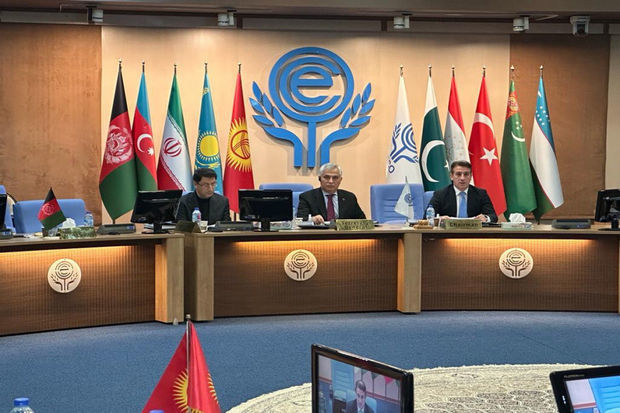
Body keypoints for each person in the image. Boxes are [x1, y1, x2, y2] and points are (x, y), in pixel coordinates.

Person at [429, 160, 498, 223]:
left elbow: (493, 216)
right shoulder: (440, 194)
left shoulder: (481, 194)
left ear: (471, 176)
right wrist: (439, 219)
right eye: (458, 174)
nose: (462, 178)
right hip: (448, 231)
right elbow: (428, 217)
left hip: (474, 231)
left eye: (466, 174)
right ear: (451, 176)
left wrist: (485, 218)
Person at [296, 163, 366, 224]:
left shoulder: (349, 197)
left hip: (343, 234)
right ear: (319, 179)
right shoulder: (307, 197)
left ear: (340, 180)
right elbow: (300, 220)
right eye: (327, 177)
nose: (331, 181)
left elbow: (362, 221)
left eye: (335, 178)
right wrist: (312, 219)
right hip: (318, 233)